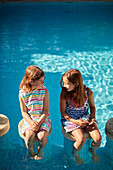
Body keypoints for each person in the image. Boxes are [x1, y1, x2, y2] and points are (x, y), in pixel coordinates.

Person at [60, 69, 102, 164]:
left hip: (84, 117)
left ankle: (93, 152)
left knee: (98, 139)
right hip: (70, 119)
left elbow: (92, 107)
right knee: (81, 139)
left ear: (77, 84)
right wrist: (77, 122)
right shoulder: (64, 93)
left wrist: (93, 117)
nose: (64, 86)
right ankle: (75, 154)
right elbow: (63, 113)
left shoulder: (88, 93)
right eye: (64, 83)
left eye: (67, 83)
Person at [19, 65, 52, 160]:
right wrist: (31, 123)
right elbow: (24, 112)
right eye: (41, 80)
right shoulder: (22, 94)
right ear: (31, 81)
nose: (43, 82)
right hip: (30, 119)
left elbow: (46, 111)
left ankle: (41, 149)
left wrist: (39, 123)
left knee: (42, 136)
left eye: (43, 79)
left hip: (43, 118)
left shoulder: (44, 91)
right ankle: (30, 150)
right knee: (29, 136)